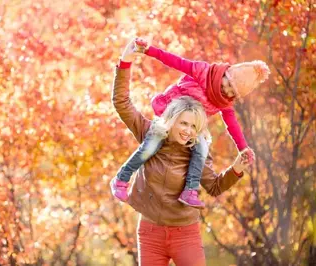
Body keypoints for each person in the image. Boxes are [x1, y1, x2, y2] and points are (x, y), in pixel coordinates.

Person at [109, 39, 255, 266]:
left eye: (194, 127)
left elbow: (215, 187)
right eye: (183, 124)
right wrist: (125, 62)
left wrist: (236, 170)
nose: (188, 131)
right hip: (150, 233)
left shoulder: (198, 152)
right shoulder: (150, 133)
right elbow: (121, 102)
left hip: (185, 234)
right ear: (172, 119)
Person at [113, 37, 269, 208]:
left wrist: (243, 148)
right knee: (151, 144)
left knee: (202, 147)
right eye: (228, 83)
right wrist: (149, 50)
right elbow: (175, 61)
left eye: (232, 92)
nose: (226, 90)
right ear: (226, 73)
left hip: (194, 127)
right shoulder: (202, 71)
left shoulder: (224, 103)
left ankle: (190, 190)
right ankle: (122, 178)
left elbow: (233, 126)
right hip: (171, 116)